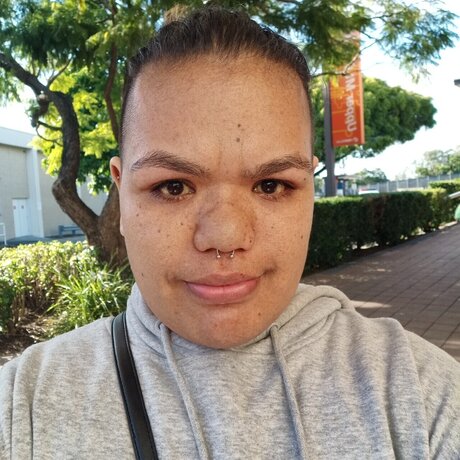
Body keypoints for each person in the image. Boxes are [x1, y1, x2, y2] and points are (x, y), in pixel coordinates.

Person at [1, 7, 459, 459]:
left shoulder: (423, 395)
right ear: (122, 196)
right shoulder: (24, 406)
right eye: (173, 187)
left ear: (309, 191)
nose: (224, 236)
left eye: (271, 185)